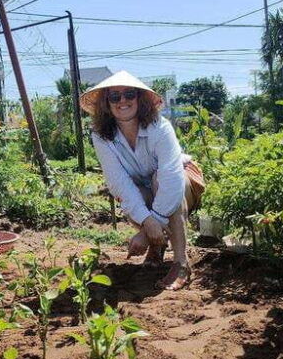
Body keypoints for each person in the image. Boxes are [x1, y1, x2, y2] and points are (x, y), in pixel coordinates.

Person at [80, 71, 204, 291]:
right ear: (106, 103)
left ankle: (181, 263)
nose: (123, 101)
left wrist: (147, 230)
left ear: (140, 99)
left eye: (129, 94)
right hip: (147, 188)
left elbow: (171, 178)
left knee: (159, 181)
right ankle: (157, 246)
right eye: (115, 97)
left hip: (183, 182)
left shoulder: (160, 127)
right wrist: (148, 223)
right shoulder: (101, 136)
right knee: (132, 196)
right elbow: (118, 182)